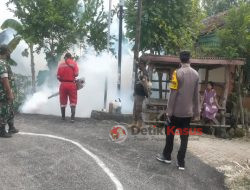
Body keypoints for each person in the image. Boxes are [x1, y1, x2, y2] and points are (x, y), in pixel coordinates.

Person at [156, 50, 200, 170]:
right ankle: (181, 162)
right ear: (189, 59)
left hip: (175, 113)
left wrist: (169, 112)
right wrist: (197, 113)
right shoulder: (196, 74)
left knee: (169, 133)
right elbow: (196, 96)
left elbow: (173, 94)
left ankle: (167, 156)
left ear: (180, 60)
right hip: (188, 114)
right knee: (184, 138)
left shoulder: (177, 73)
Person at [0, 45, 18, 138]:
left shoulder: (4, 62)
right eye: (9, 51)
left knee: (10, 110)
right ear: (6, 52)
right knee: (4, 111)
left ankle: (11, 127)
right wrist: (9, 92)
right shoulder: (2, 63)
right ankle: (1, 130)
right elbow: (5, 79)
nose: (9, 53)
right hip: (3, 93)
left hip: (6, 91)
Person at [57, 53, 79, 123]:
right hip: (72, 84)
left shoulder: (61, 65)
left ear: (66, 57)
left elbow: (58, 76)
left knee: (62, 101)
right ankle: (72, 118)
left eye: (64, 58)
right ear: (70, 57)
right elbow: (76, 74)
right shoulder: (74, 64)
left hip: (63, 84)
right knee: (73, 100)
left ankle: (63, 117)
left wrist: (62, 80)